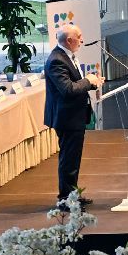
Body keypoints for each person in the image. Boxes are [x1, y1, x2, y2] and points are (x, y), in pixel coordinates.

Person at [43, 23, 102, 208]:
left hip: (74, 115)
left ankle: (72, 195)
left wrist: (93, 82)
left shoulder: (67, 56)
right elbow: (67, 89)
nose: (82, 40)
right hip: (66, 118)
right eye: (79, 36)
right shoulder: (56, 60)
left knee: (73, 159)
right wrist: (88, 81)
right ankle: (65, 200)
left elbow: (75, 83)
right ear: (69, 40)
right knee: (69, 160)